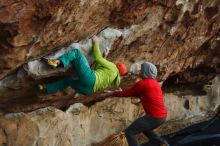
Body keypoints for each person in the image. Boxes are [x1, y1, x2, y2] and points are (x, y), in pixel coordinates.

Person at [38, 35, 127, 96]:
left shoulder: (113, 67)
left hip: (90, 79)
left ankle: (57, 62)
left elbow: (98, 58)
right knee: (68, 81)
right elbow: (97, 70)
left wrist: (96, 43)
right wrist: (105, 56)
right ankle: (45, 88)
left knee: (76, 53)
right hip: (88, 90)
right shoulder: (113, 78)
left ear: (118, 66)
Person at [106, 62, 169, 146]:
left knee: (130, 132)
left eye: (142, 69)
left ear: (145, 71)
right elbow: (138, 93)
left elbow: (129, 93)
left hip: (154, 117)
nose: (140, 71)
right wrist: (121, 92)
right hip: (162, 117)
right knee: (146, 129)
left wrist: (113, 93)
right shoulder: (155, 83)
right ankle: (163, 144)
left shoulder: (143, 83)